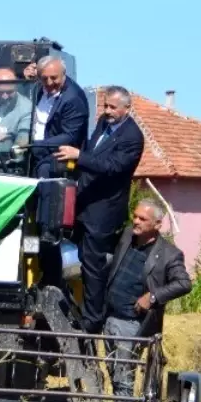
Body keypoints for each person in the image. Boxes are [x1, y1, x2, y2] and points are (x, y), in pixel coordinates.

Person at [54, 85, 145, 333]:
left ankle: (93, 321)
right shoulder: (103, 125)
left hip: (104, 211)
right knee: (72, 259)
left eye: (113, 107)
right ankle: (74, 306)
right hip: (85, 202)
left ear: (127, 109)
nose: (107, 111)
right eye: (105, 105)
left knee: (94, 266)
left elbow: (111, 166)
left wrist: (78, 156)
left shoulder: (132, 137)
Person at [101, 199, 191, 397]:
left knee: (123, 378)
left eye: (142, 218)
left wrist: (152, 297)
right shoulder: (126, 237)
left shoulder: (169, 254)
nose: (136, 221)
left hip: (133, 323)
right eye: (135, 216)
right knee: (113, 371)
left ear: (157, 224)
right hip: (110, 317)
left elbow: (184, 283)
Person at [27, 56, 90, 178]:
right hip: (32, 150)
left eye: (54, 78)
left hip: (58, 155)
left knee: (45, 170)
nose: (49, 83)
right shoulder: (38, 89)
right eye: (44, 78)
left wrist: (35, 146)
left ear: (64, 74)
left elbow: (70, 136)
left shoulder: (73, 98)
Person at [0, 67, 33, 154]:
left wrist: (15, 155)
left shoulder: (26, 107)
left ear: (16, 87)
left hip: (6, 162)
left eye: (10, 92)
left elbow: (24, 137)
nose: (5, 96)